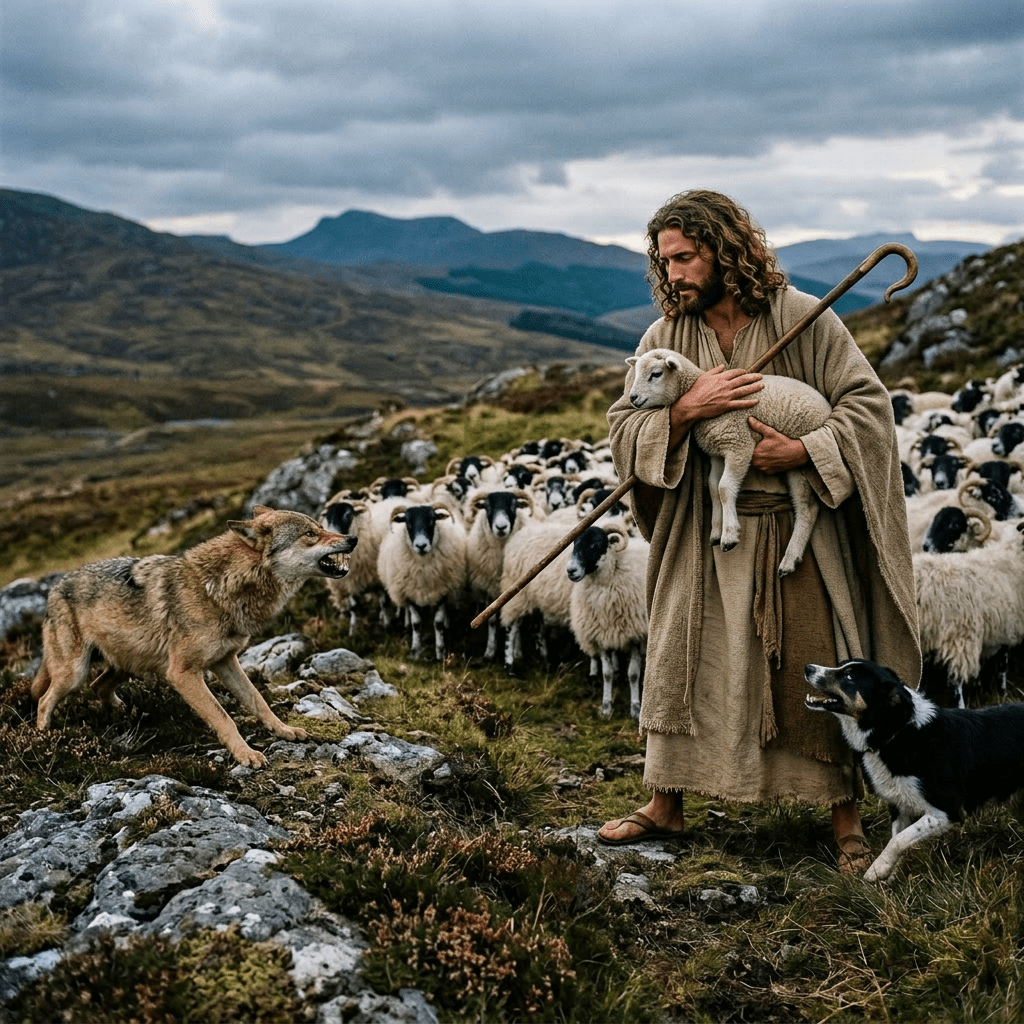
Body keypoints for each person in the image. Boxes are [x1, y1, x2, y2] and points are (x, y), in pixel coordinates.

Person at [598, 189, 921, 874]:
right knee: (683, 659)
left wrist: (803, 452)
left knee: (816, 657)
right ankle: (666, 801)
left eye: (686, 258)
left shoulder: (804, 318)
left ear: (724, 249)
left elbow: (867, 408)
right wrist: (685, 412)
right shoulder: (664, 338)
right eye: (666, 262)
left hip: (792, 528)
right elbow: (625, 421)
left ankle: (844, 815)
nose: (675, 274)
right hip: (701, 528)